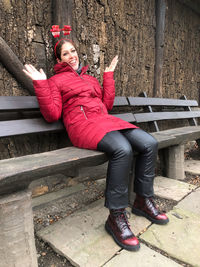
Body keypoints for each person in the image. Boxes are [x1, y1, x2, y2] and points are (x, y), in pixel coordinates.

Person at [23, 38, 169, 252]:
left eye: (73, 51)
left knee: (149, 143)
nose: (71, 55)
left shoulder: (90, 79)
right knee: (122, 149)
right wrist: (42, 84)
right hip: (81, 125)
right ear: (58, 58)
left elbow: (106, 105)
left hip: (104, 121)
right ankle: (116, 216)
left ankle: (143, 200)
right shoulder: (55, 81)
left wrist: (107, 77)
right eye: (65, 53)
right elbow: (52, 114)